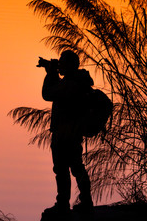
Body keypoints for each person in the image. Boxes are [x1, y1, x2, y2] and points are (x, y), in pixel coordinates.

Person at [38, 50, 94, 216]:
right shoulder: (75, 81)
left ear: (70, 65)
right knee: (74, 168)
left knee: (65, 169)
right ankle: (83, 202)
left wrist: (50, 73)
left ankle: (65, 205)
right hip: (71, 133)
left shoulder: (71, 84)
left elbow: (48, 94)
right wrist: (53, 72)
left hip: (65, 134)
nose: (59, 65)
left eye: (62, 62)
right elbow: (58, 91)